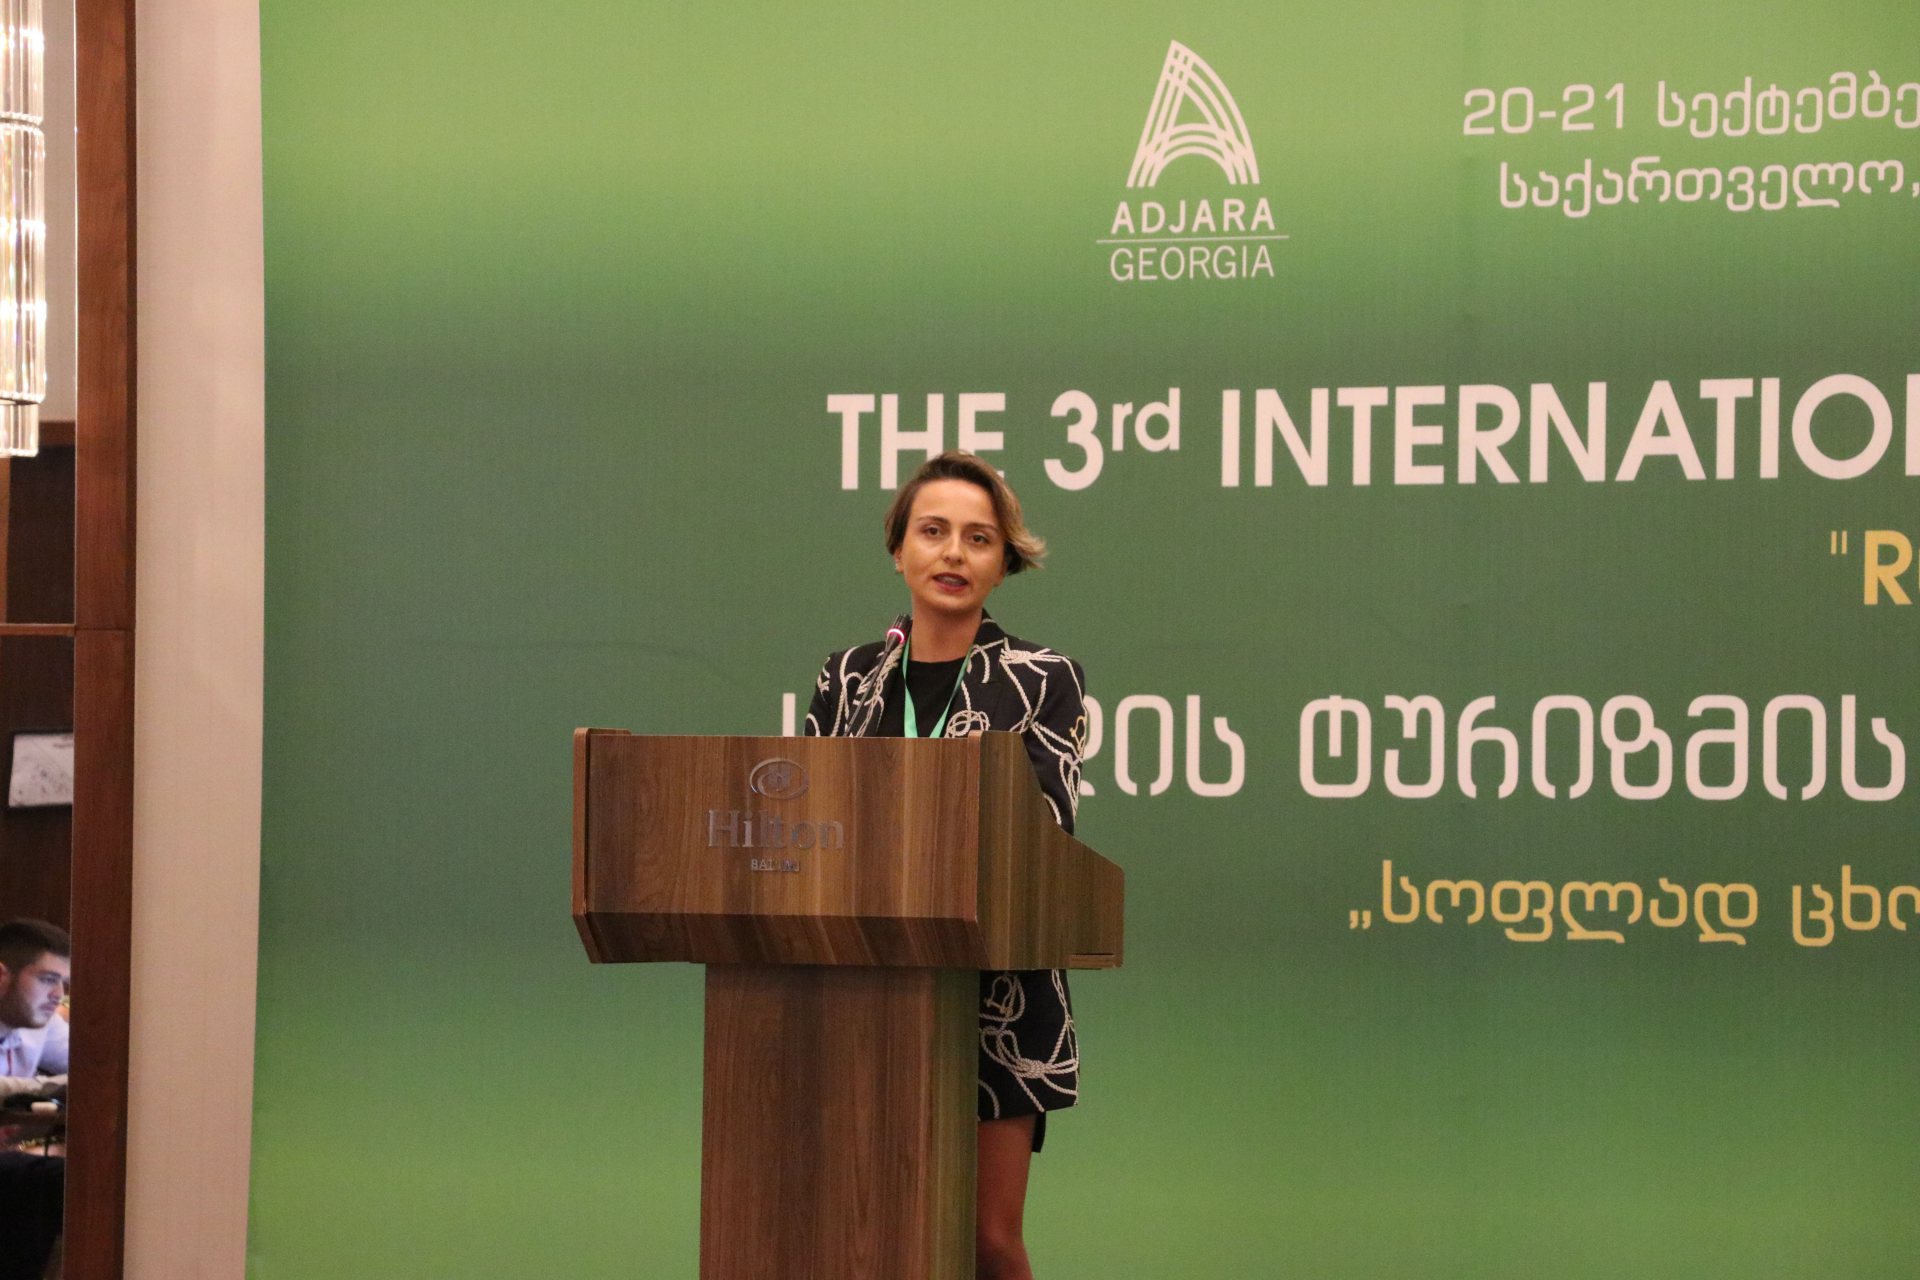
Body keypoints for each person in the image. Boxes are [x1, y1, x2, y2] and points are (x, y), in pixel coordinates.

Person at [805, 451, 1087, 1280]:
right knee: (869, 1232)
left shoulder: (1042, 680)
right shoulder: (849, 678)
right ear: (899, 550)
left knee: (984, 1243)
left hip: (995, 990)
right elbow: (807, 826)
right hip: (862, 988)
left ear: (1004, 564)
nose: (954, 553)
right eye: (933, 532)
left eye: (978, 538)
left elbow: (1048, 825)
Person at [0, 918, 70, 1280]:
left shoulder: (44, 1022)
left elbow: (95, 1071)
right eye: (47, 979)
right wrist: (48, 1087)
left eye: (63, 982)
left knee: (72, 1178)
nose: (58, 994)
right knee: (56, 1182)